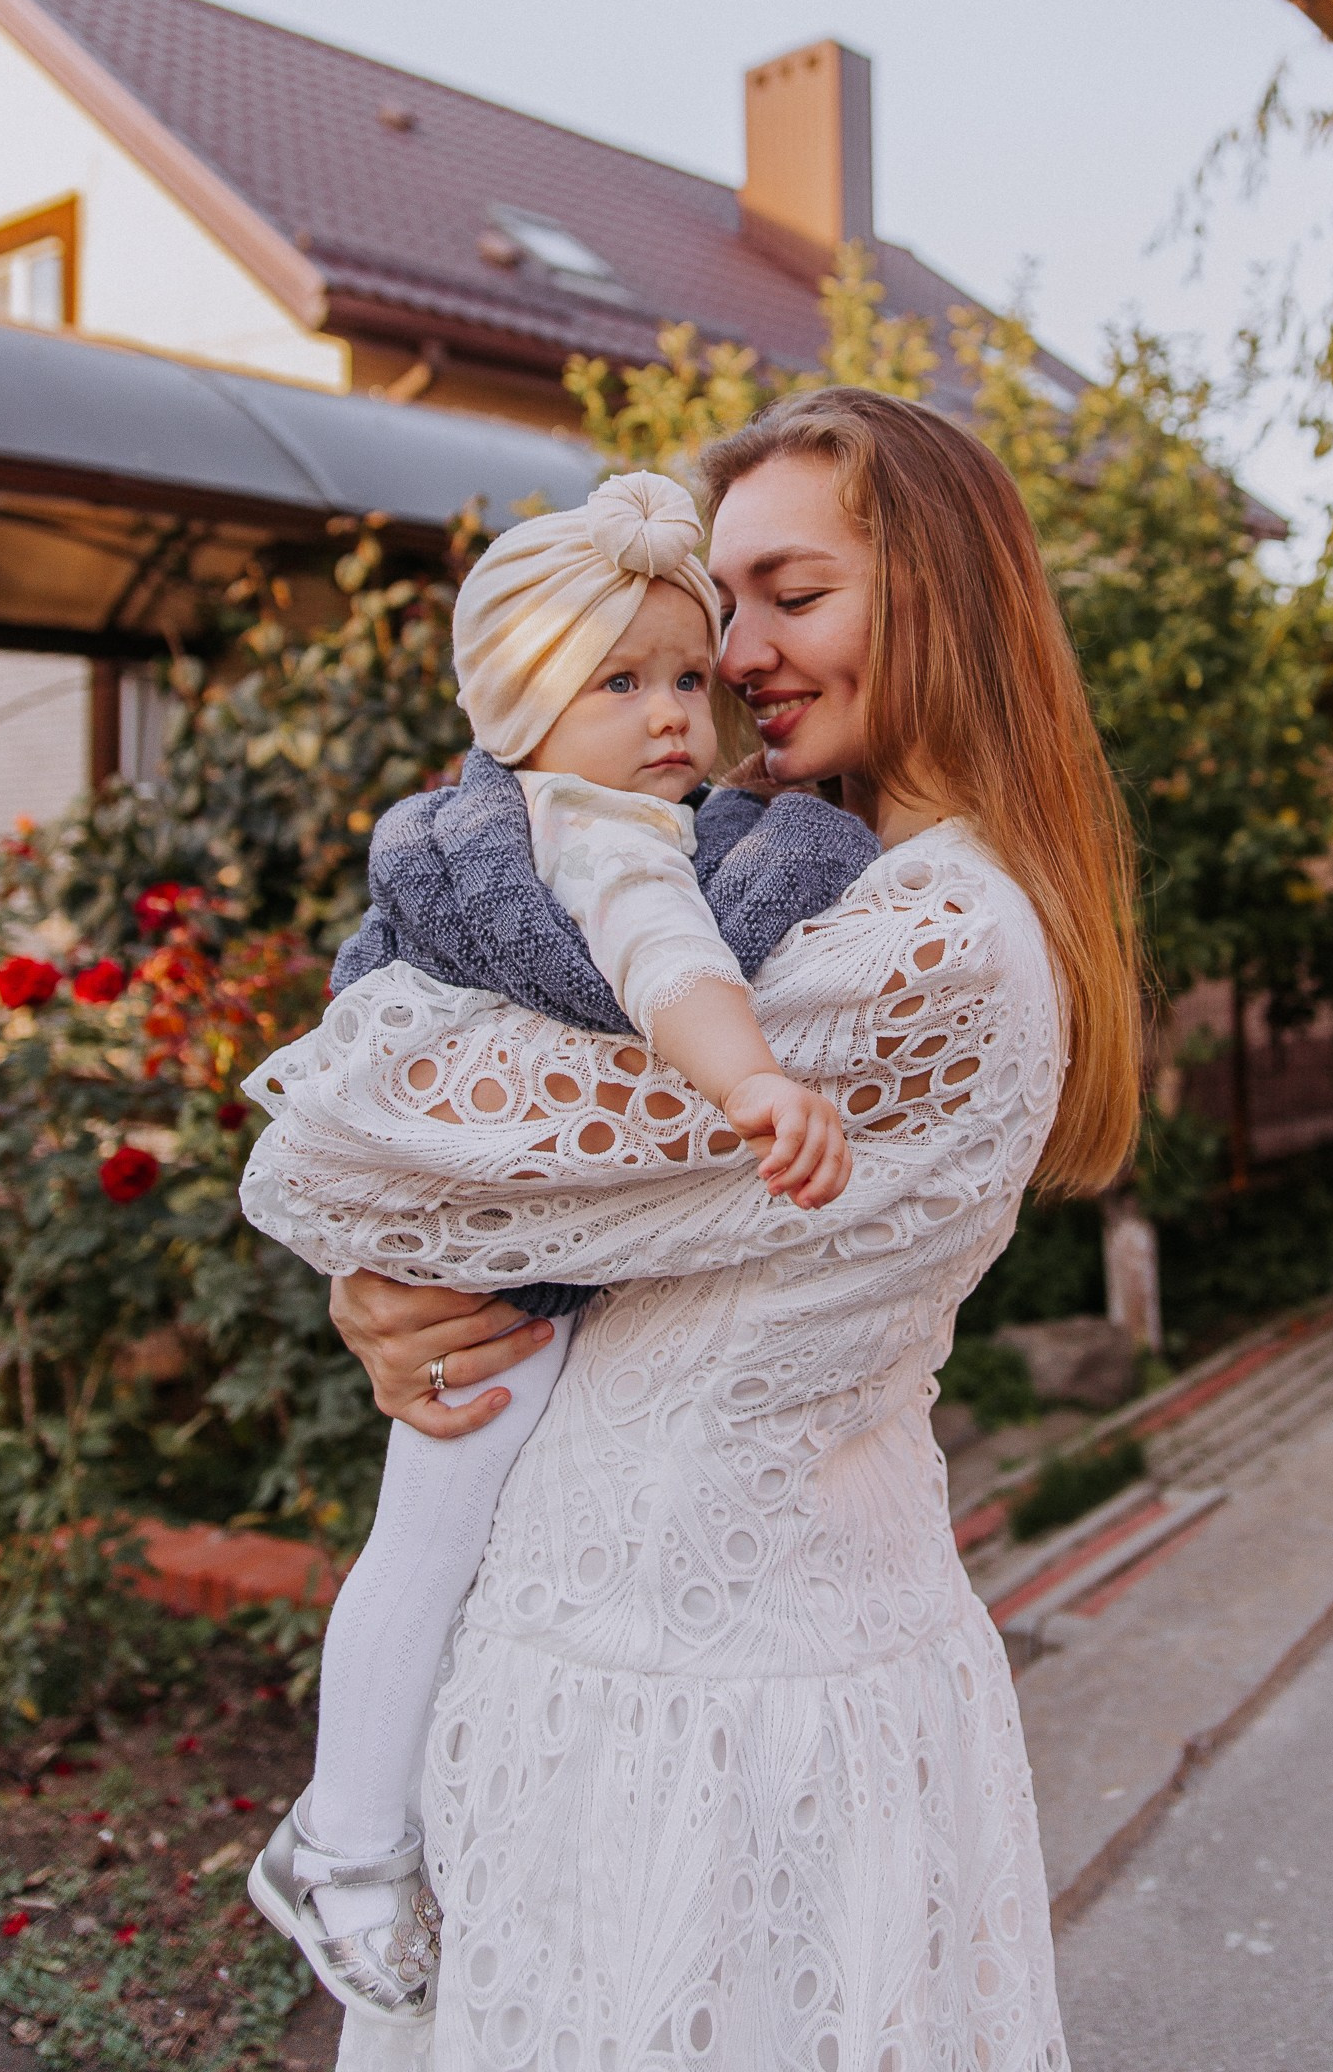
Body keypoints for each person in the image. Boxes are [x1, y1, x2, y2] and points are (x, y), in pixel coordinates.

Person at [300, 389, 1140, 2072]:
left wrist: (381, 1253)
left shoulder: (926, 945)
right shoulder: (794, 873)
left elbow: (370, 1122)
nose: (738, 649)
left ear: (946, 602)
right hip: (636, 1675)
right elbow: (473, 1163)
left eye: (792, 593)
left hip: (710, 1714)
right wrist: (381, 1282)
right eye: (725, 605)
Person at [241, 471, 873, 2019]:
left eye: (681, 675)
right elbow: (666, 972)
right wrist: (754, 1084)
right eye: (621, 683)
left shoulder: (518, 819)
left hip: (476, 1243)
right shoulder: (596, 836)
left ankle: (357, 1827)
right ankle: (345, 1841)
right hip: (494, 1276)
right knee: (436, 1532)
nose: (678, 713)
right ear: (522, 705)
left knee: (435, 1541)